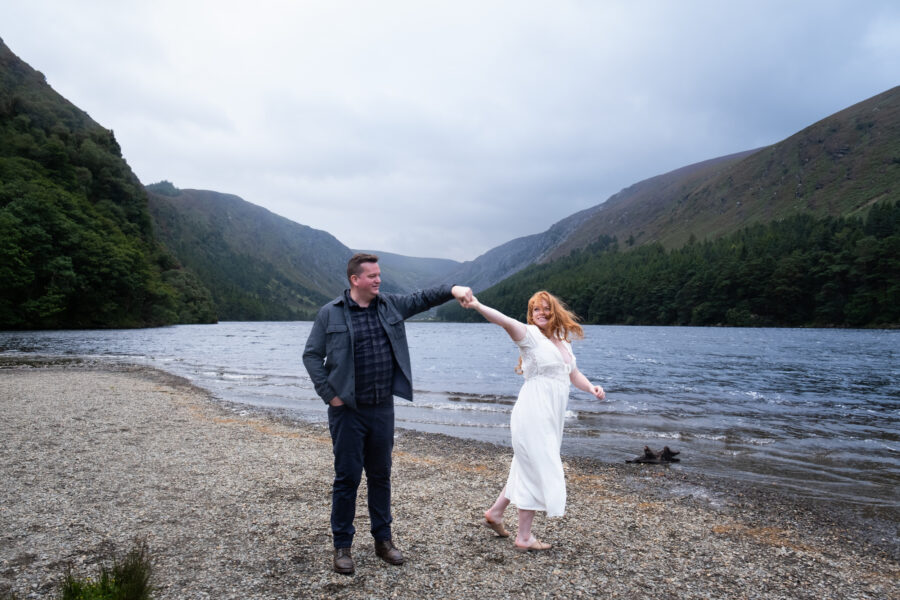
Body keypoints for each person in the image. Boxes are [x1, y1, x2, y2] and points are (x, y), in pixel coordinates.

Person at [302, 253, 472, 575]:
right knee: (347, 478)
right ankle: (342, 546)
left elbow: (422, 298)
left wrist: (452, 288)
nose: (378, 280)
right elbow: (311, 356)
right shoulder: (330, 314)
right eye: (372, 276)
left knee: (380, 475)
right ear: (355, 280)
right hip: (348, 411)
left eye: (379, 275)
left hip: (382, 409)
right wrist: (330, 396)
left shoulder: (390, 305)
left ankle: (383, 541)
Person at [462, 290, 606, 551]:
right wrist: (477, 305)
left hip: (552, 415)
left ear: (554, 311)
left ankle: (495, 513)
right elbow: (504, 320)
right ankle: (524, 537)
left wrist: (591, 388)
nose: (541, 313)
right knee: (536, 466)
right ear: (531, 315)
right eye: (535, 309)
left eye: (545, 308)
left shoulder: (562, 341)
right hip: (532, 412)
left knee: (525, 464)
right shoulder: (528, 336)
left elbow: (573, 374)